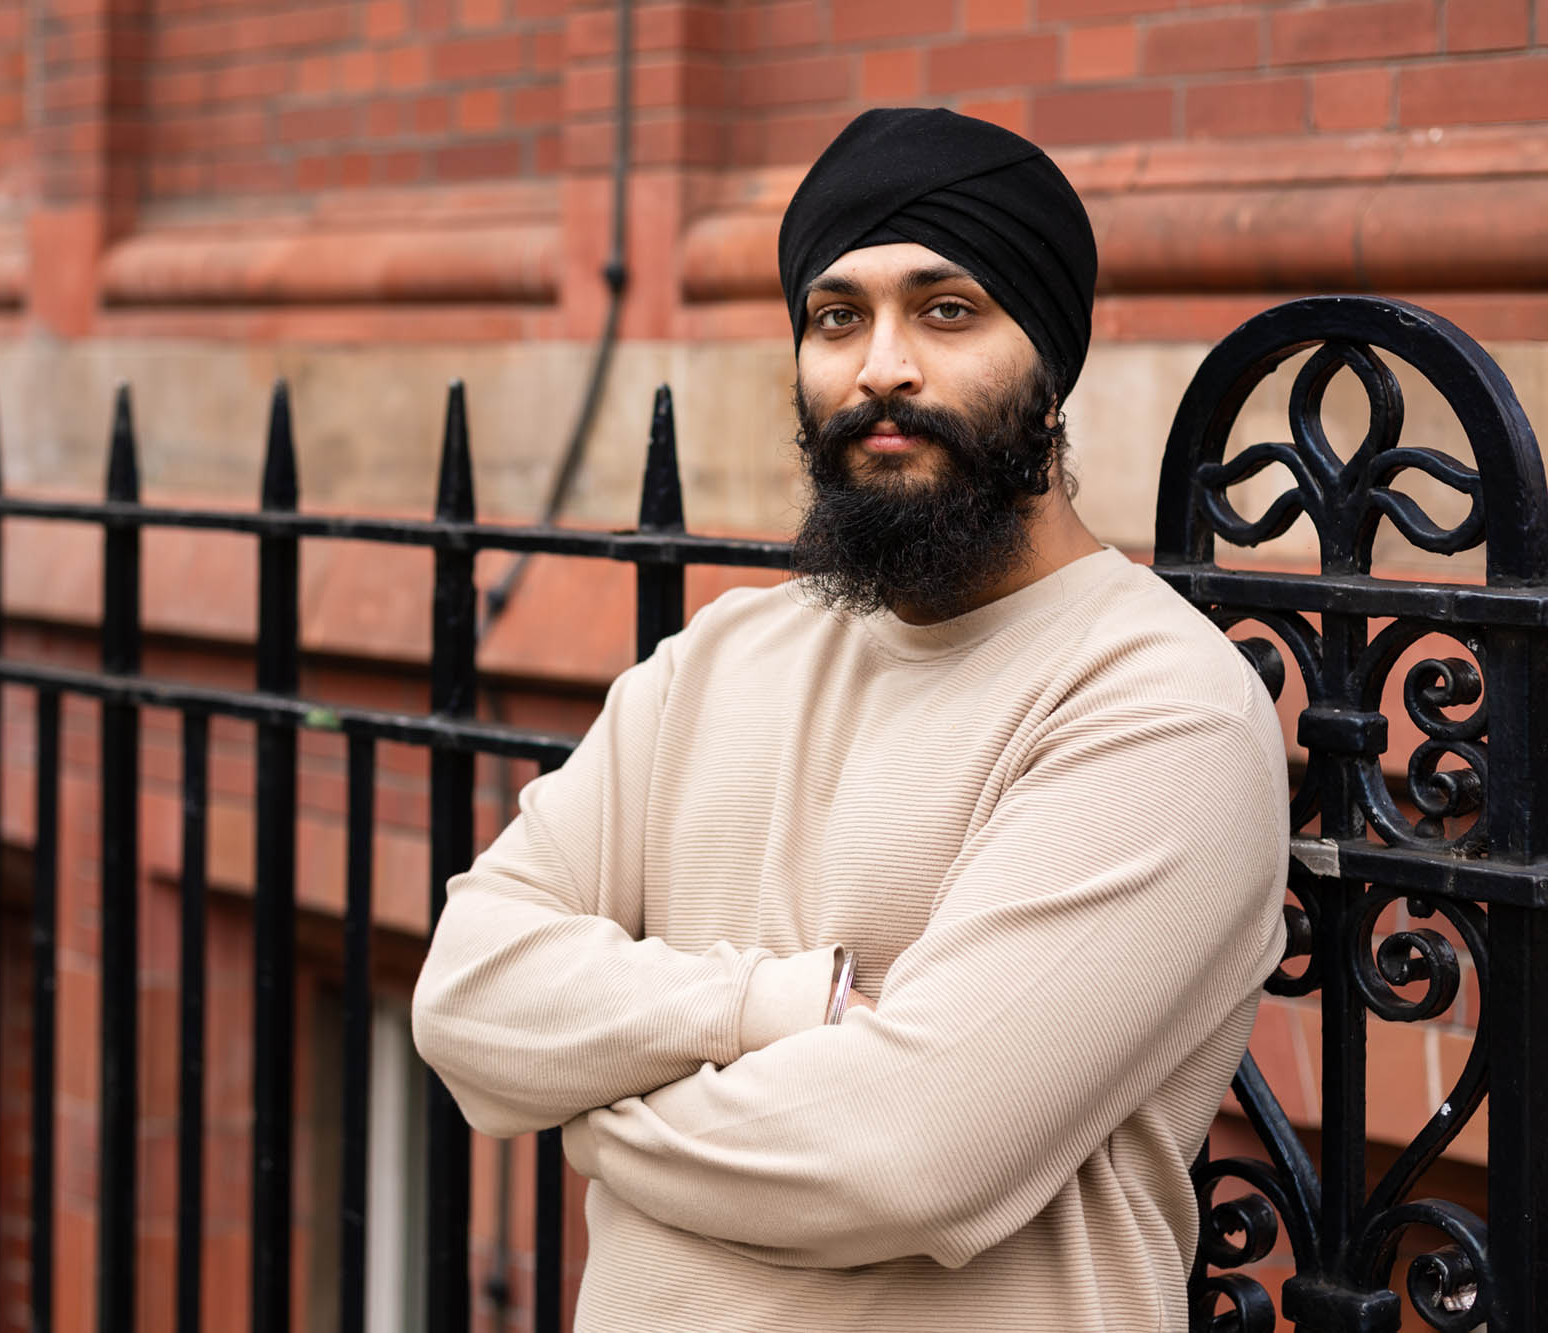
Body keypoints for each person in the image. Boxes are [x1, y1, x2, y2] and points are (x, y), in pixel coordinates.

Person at [411, 107, 1289, 1332]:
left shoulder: (1157, 705)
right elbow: (464, 993)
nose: (881, 365)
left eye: (946, 310)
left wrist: (582, 1102)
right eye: (836, 318)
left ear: (1049, 367)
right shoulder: (721, 655)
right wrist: (770, 1008)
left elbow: (906, 1158)